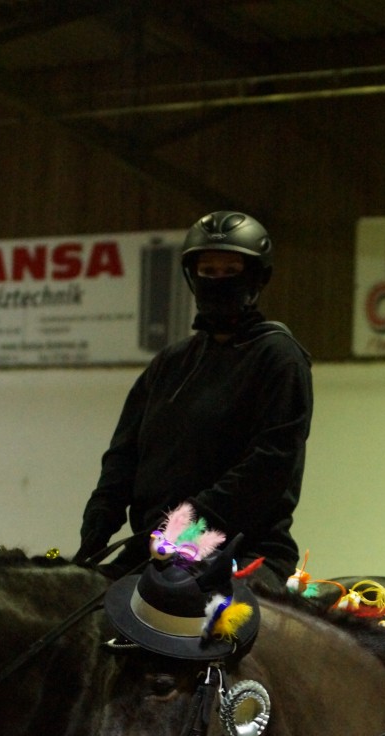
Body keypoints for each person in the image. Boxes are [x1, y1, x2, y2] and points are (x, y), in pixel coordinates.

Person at [75, 210, 313, 589]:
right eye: (208, 271)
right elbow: (123, 455)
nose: (218, 281)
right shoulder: (170, 362)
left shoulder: (279, 357)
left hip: (240, 550)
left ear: (256, 278)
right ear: (193, 276)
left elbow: (270, 465)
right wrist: (98, 523)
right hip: (154, 547)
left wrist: (183, 524)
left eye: (230, 270)